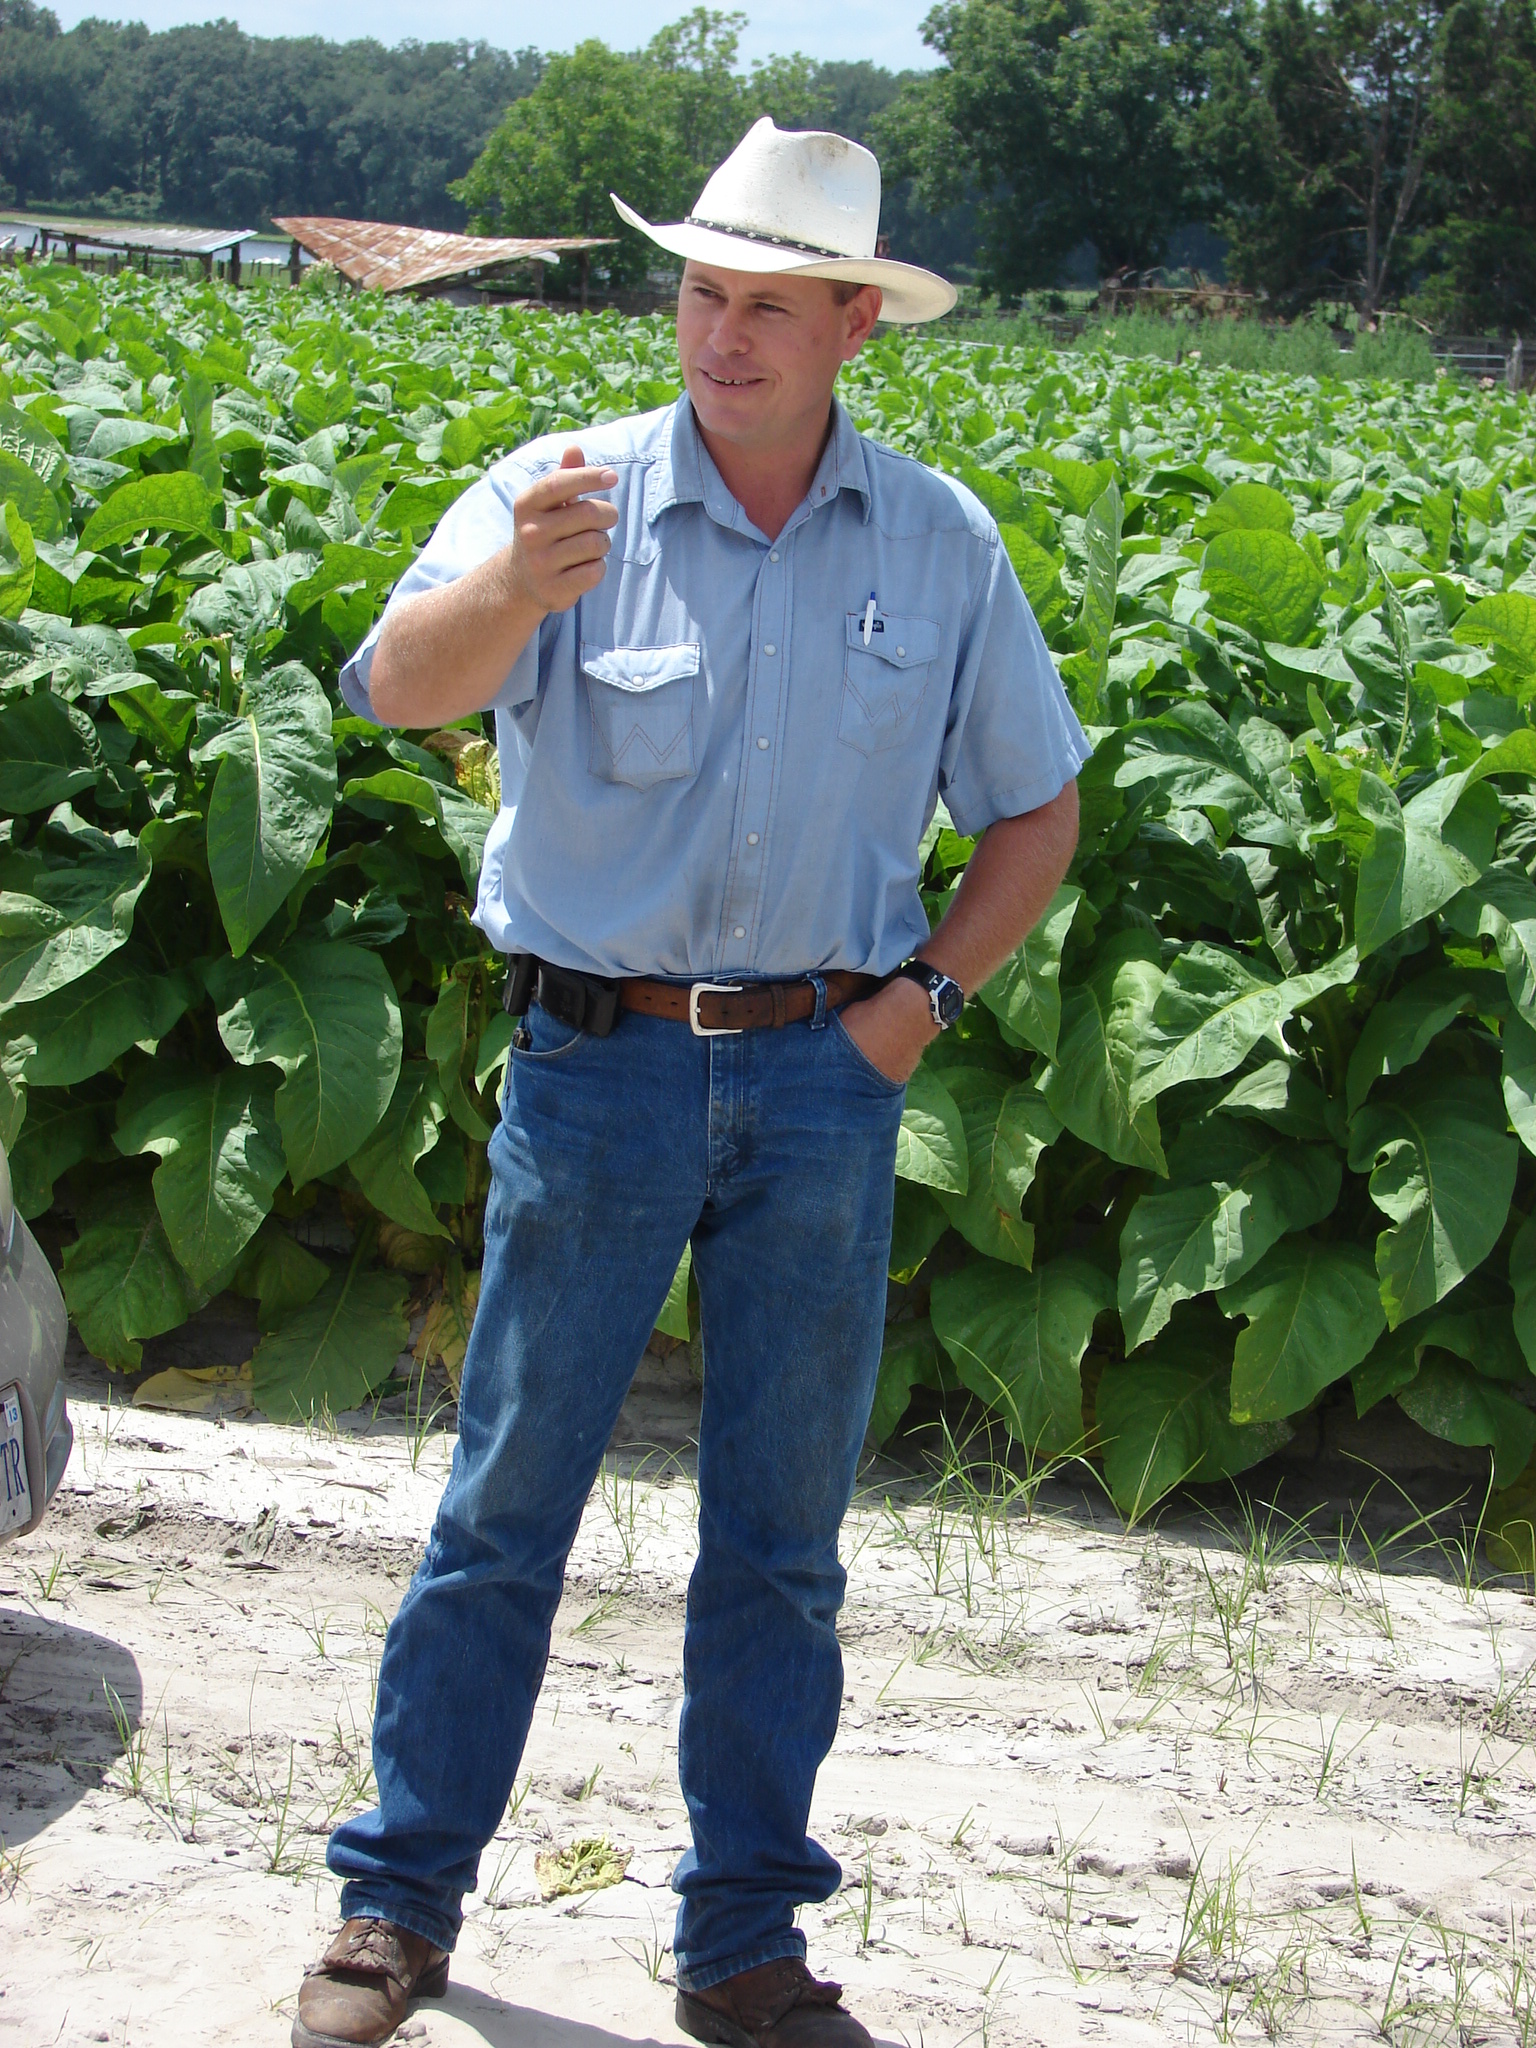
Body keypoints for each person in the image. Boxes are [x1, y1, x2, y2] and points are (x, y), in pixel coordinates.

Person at [293, 118, 1088, 2048]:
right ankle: (397, 1905)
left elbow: (1037, 812)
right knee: (506, 1502)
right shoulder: (562, 497)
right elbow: (392, 687)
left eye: (769, 309)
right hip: (600, 1068)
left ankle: (742, 1946)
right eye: (701, 294)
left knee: (781, 1543)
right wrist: (512, 596)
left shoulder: (939, 543)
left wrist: (919, 1009)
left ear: (854, 329)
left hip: (825, 1081)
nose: (721, 336)